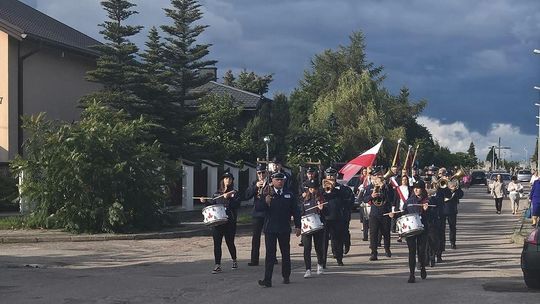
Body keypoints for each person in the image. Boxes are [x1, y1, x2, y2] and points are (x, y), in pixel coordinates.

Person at [257, 172, 301, 288]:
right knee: (270, 255)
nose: (280, 182)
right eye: (277, 180)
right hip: (270, 228)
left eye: (281, 180)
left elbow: (296, 211)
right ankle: (267, 279)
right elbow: (259, 209)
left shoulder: (289, 194)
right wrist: (265, 202)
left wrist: (298, 226)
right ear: (272, 181)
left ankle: (286, 276)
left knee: (285, 253)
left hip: (284, 228)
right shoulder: (266, 193)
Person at [200, 172, 240, 274]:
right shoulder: (217, 193)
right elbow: (213, 205)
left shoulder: (234, 193)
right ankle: (217, 265)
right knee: (217, 243)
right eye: (226, 178)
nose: (228, 180)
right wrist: (205, 201)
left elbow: (237, 205)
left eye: (230, 179)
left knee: (230, 242)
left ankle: (234, 260)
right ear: (222, 180)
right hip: (218, 222)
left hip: (229, 221)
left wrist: (229, 198)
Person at [395, 180, 429, 283]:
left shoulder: (427, 200)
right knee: (412, 252)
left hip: (423, 229)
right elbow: (403, 214)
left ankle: (422, 266)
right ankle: (412, 274)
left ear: (423, 189)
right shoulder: (409, 201)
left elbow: (433, 215)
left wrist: (426, 210)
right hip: (411, 229)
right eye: (415, 188)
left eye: (418, 188)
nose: (416, 189)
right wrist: (395, 215)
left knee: (421, 251)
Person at [244, 163, 277, 266]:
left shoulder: (271, 182)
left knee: (271, 237)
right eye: (259, 173)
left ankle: (272, 257)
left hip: (268, 212)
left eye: (263, 173)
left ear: (266, 173)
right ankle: (254, 259)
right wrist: (255, 187)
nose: (261, 175)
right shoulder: (255, 182)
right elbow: (246, 196)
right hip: (257, 213)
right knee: (255, 237)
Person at [322, 167, 350, 266]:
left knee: (337, 239)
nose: (330, 177)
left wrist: (334, 188)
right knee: (324, 241)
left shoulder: (341, 188)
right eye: (328, 175)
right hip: (325, 217)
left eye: (332, 175)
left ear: (335, 176)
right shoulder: (322, 188)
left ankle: (339, 258)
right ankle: (323, 261)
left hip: (337, 216)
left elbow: (345, 199)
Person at [362, 168, 392, 261]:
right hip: (374, 213)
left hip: (385, 212)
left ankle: (387, 248)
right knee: (373, 234)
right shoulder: (369, 187)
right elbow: (364, 199)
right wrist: (371, 196)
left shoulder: (387, 186)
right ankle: (374, 252)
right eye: (375, 175)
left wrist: (383, 188)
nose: (377, 177)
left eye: (379, 175)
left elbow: (391, 198)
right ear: (372, 177)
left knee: (386, 233)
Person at [300, 179, 326, 278]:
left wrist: (322, 209)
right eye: (310, 188)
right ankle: (308, 269)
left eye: (314, 188)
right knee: (307, 248)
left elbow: (326, 214)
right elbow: (301, 212)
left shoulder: (321, 199)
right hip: (307, 227)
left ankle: (320, 265)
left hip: (318, 226)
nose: (312, 190)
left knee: (318, 247)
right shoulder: (304, 199)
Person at [439, 177, 464, 251]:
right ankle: (442, 245)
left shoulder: (455, 188)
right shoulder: (441, 185)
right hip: (442, 210)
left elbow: (460, 195)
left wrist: (456, 189)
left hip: (452, 210)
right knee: (441, 228)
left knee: (452, 227)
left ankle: (453, 242)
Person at [393, 175, 413, 243]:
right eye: (403, 180)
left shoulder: (410, 189)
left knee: (407, 222)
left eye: (405, 180)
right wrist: (393, 208)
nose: (404, 181)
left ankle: (407, 235)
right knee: (400, 222)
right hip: (399, 207)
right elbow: (395, 199)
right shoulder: (398, 189)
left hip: (407, 208)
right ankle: (400, 236)